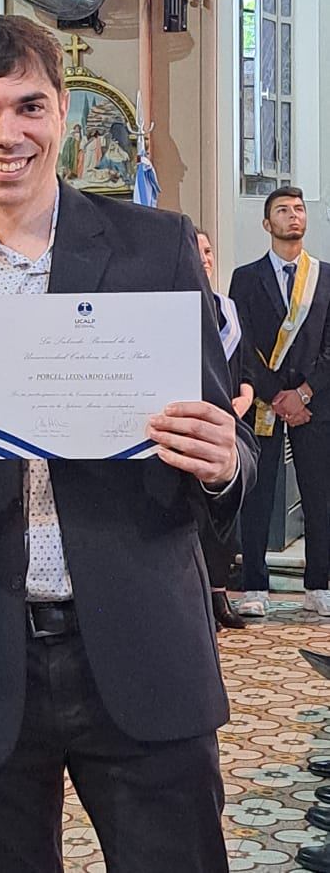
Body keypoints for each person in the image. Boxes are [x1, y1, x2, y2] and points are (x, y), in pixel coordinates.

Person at [0, 15, 257, 873]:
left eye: (28, 106)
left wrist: (223, 464)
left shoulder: (155, 249)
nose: (7, 134)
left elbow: (225, 454)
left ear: (62, 113)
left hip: (138, 641)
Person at [229, 186, 330, 619]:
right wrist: (275, 395)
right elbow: (242, 343)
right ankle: (254, 583)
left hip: (315, 403)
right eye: (282, 211)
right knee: (258, 495)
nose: (293, 216)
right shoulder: (245, 277)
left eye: (299, 209)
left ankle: (319, 584)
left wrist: (304, 393)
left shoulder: (325, 276)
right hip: (265, 404)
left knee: (320, 494)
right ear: (267, 223)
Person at [196, 228, 254, 631]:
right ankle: (200, 598)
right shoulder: (174, 304)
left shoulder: (227, 309)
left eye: (209, 251)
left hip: (231, 423)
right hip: (194, 426)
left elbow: (245, 364)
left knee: (225, 519)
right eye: (196, 251)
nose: (205, 258)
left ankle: (220, 595)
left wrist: (246, 395)